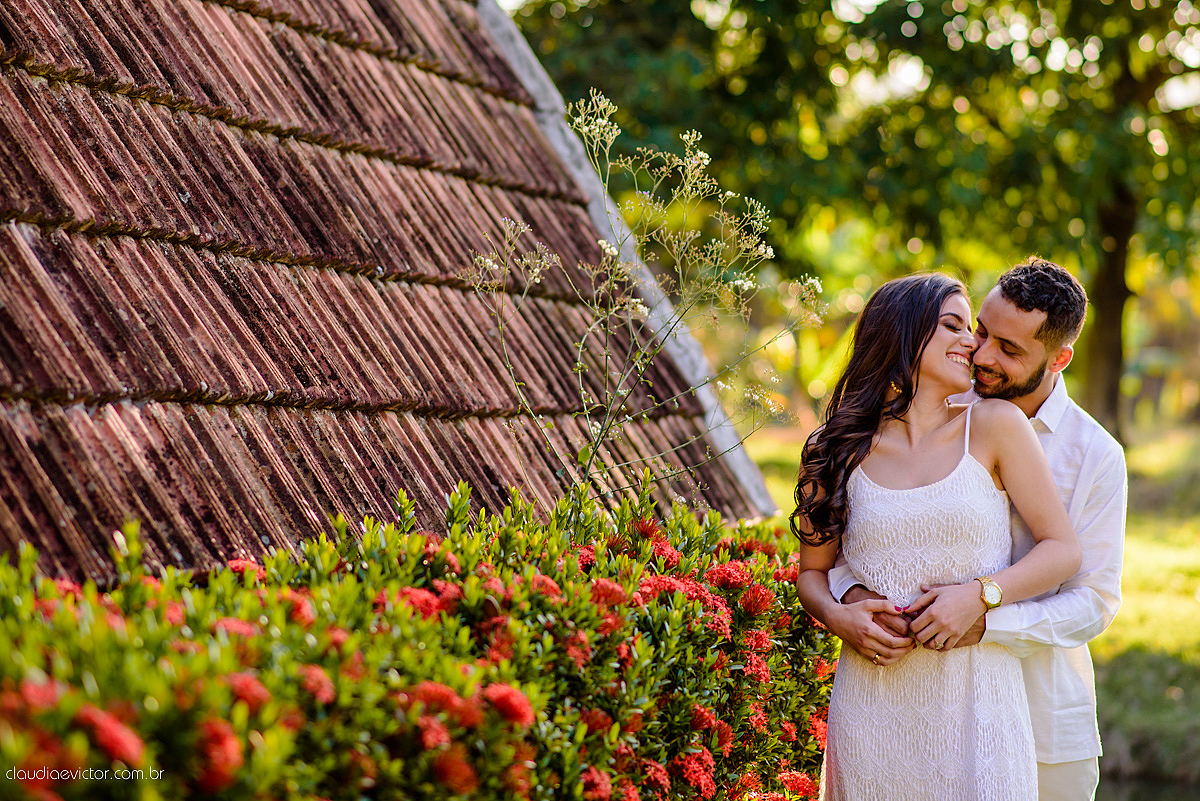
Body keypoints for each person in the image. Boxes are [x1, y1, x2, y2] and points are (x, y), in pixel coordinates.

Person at [831, 257, 1127, 801]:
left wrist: (985, 615)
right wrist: (852, 595)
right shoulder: (931, 408)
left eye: (1009, 350)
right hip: (912, 704)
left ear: (1059, 359)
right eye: (982, 332)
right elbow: (873, 536)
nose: (982, 354)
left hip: (1043, 721)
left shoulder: (1096, 457)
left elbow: (1094, 601)